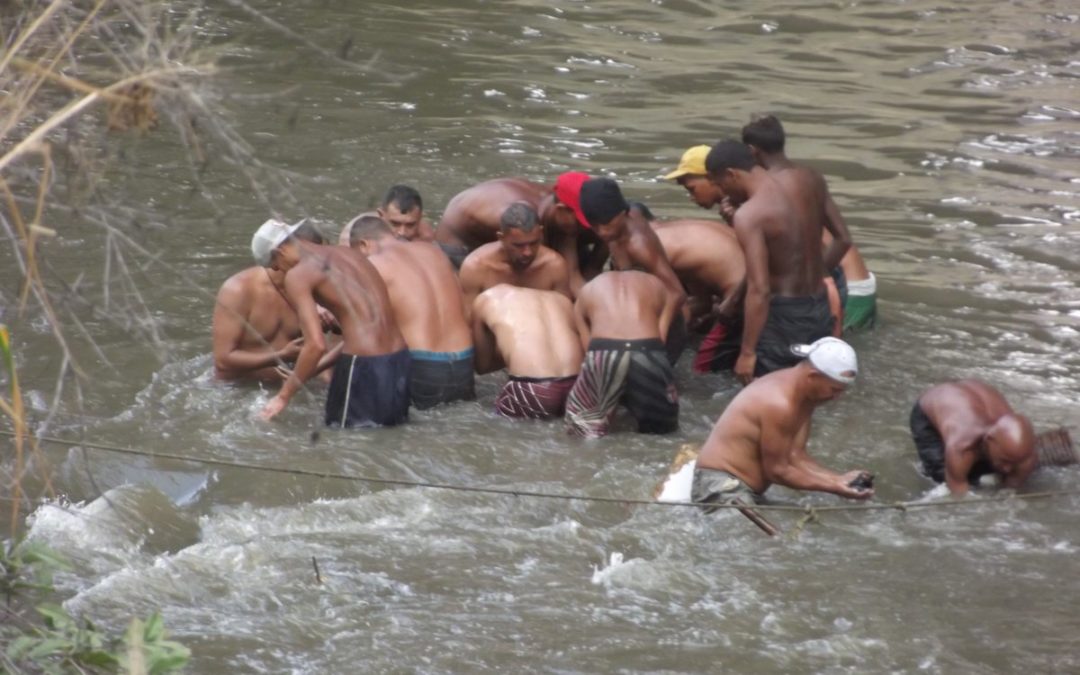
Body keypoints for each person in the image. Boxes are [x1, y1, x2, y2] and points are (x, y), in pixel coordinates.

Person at [252, 218, 409, 427]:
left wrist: (283, 396)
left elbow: (315, 345)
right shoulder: (350, 254)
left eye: (276, 267)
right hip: (400, 359)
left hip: (363, 366)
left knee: (348, 445)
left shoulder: (299, 275)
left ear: (279, 252)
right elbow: (368, 328)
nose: (280, 271)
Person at [706, 140, 840, 384]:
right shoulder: (804, 185)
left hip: (783, 318)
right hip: (818, 305)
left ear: (731, 174)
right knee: (808, 389)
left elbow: (760, 289)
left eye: (719, 183)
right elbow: (842, 240)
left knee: (768, 392)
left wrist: (747, 352)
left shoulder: (751, 214)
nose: (722, 191)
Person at [692, 337, 874, 506]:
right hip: (720, 485)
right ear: (812, 377)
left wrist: (841, 480)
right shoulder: (780, 404)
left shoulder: (804, 396)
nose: (836, 398)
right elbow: (778, 471)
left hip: (745, 488)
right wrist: (834, 487)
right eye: (834, 390)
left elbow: (795, 456)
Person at [741, 115, 876, 332]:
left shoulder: (766, 190)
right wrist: (819, 273)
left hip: (805, 302)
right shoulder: (812, 178)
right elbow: (843, 238)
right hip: (843, 293)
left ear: (751, 150)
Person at [347, 215, 475, 409]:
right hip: (464, 363)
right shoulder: (434, 252)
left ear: (363, 245)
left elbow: (364, 332)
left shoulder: (375, 264)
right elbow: (465, 308)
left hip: (423, 368)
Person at [578, 177, 687, 363]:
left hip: (663, 324)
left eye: (606, 224)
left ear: (623, 213)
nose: (601, 233)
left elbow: (676, 293)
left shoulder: (638, 246)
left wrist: (659, 335)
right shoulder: (617, 226)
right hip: (637, 314)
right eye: (594, 226)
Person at [565, 271, 681, 438]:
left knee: (582, 428)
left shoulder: (588, 289)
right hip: (646, 349)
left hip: (603, 350)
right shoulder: (657, 286)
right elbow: (661, 340)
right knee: (663, 432)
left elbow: (588, 349)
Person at [436, 173, 605, 288]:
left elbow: (572, 277)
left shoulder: (559, 213)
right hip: (459, 246)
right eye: (582, 221)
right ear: (560, 209)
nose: (587, 227)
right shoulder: (513, 218)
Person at [212, 222, 326, 382]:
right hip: (236, 390)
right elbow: (223, 361)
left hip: (286, 387)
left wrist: (329, 320)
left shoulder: (315, 287)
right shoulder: (238, 289)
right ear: (278, 255)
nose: (313, 260)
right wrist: (282, 356)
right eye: (304, 252)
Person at [471, 284, 583, 419]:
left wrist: (508, 352)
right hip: (577, 385)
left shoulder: (486, 299)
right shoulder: (562, 299)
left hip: (531, 388)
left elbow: (482, 366)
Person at [651, 219, 746, 373]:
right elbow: (703, 303)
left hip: (739, 299)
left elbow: (679, 310)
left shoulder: (655, 248)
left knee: (702, 370)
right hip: (751, 292)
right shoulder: (686, 233)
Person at [910, 380, 1036, 495]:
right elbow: (959, 494)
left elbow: (1012, 489)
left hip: (976, 394)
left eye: (1013, 462)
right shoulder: (962, 446)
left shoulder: (1026, 455)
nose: (1008, 468)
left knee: (999, 468)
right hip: (930, 406)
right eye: (1005, 460)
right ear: (988, 441)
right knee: (942, 476)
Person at [458, 202, 572, 310]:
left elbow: (565, 315)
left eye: (534, 243)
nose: (528, 252)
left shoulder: (554, 266)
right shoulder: (476, 267)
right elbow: (469, 319)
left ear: (541, 233)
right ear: (501, 238)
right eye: (518, 246)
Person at [338, 184, 435, 245]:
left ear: (420, 218)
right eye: (395, 224)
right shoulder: (352, 236)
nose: (402, 232)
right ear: (381, 215)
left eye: (410, 225)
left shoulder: (426, 236)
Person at [663, 144, 735, 223]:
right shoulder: (732, 205)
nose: (692, 198)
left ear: (711, 178)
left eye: (692, 189)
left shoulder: (744, 205)